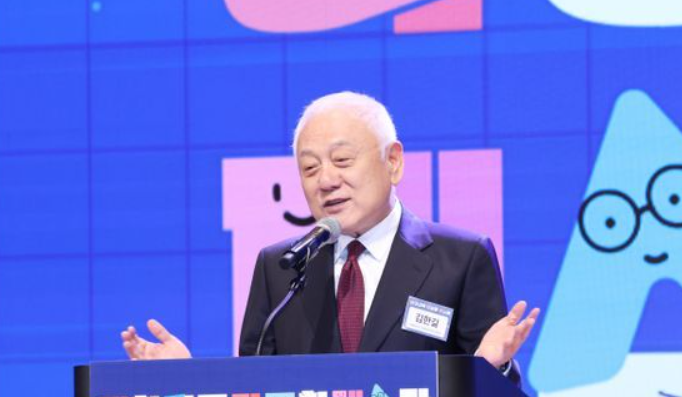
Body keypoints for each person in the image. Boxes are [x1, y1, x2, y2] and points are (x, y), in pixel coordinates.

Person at [121, 92, 539, 381]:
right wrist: (185, 378)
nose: (326, 180)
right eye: (309, 168)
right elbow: (252, 395)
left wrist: (493, 368)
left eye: (342, 160)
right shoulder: (282, 268)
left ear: (393, 162)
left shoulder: (460, 259)